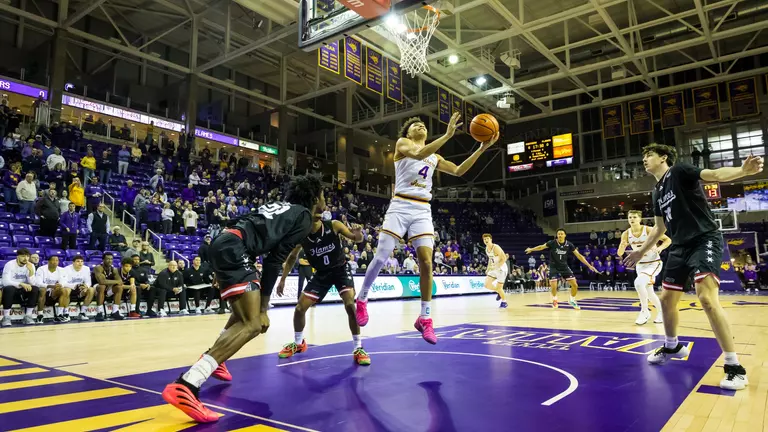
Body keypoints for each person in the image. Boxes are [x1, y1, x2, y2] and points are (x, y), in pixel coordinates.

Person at [162, 175, 324, 423]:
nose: (326, 201)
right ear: (314, 198)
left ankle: (213, 359)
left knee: (240, 314)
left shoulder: (281, 207)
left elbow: (239, 222)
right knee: (254, 323)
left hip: (225, 241)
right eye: (323, 196)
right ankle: (187, 384)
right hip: (236, 248)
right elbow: (273, 261)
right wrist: (264, 307)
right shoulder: (302, 215)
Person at [624, 144, 762, 390]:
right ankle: (672, 345)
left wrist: (742, 171)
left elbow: (715, 175)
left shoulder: (679, 172)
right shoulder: (656, 191)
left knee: (706, 298)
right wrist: (640, 251)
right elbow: (659, 228)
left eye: (649, 155)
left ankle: (734, 366)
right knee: (666, 300)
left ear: (663, 157)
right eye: (643, 156)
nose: (644, 159)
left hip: (704, 238)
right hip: (679, 246)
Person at [354, 113, 498, 344]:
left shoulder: (435, 157)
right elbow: (420, 153)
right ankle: (361, 299)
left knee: (427, 262)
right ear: (408, 133)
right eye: (415, 125)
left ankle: (425, 318)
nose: (420, 126)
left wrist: (482, 148)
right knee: (381, 256)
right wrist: (448, 134)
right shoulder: (403, 145)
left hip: (422, 209)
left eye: (422, 125)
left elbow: (459, 170)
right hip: (400, 205)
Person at [275, 218, 370, 365]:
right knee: (300, 308)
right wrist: (282, 279)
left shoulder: (333, 225)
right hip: (321, 274)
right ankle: (299, 343)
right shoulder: (302, 235)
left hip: (340, 270)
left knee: (350, 304)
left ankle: (358, 347)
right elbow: (292, 257)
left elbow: (357, 239)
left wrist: (358, 234)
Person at [617, 210, 671, 325]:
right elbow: (620, 253)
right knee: (649, 293)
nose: (632, 219)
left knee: (638, 283)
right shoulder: (626, 234)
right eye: (630, 217)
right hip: (640, 265)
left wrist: (660, 248)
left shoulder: (648, 230)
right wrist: (622, 246)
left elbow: (668, 240)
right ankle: (662, 312)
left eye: (634, 217)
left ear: (640, 219)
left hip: (654, 263)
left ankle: (644, 311)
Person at [525, 229, 599, 309]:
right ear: (557, 235)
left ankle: (572, 300)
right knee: (554, 286)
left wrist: (589, 265)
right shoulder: (552, 243)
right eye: (558, 234)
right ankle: (554, 299)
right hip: (553, 266)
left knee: (575, 285)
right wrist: (531, 249)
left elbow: (579, 256)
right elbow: (541, 247)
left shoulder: (569, 245)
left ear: (565, 235)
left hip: (564, 266)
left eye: (561, 234)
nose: (560, 235)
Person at [1, 248, 38, 327]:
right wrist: (21, 284)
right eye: (23, 256)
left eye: (28, 256)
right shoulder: (10, 264)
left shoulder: (30, 265)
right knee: (9, 288)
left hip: (23, 290)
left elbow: (33, 283)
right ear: (17, 256)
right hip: (12, 288)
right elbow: (5, 282)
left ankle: (28, 316)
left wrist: (31, 271)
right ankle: (6, 317)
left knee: (34, 288)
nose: (26, 259)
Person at [61, 255, 96, 321]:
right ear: (73, 262)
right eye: (78, 261)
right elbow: (63, 283)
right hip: (70, 287)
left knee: (91, 289)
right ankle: (65, 312)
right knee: (67, 290)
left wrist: (86, 286)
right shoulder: (66, 269)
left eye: (82, 261)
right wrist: (74, 286)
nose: (80, 263)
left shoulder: (86, 269)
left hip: (80, 288)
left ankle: (82, 312)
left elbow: (88, 282)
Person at [482, 234, 508, 308]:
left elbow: (504, 258)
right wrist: (488, 268)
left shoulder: (496, 247)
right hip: (494, 268)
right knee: (486, 284)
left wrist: (498, 266)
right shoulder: (486, 249)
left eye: (487, 239)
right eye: (484, 239)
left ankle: (504, 302)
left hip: (501, 268)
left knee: (500, 287)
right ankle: (499, 292)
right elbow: (490, 259)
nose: (486, 240)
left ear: (491, 239)